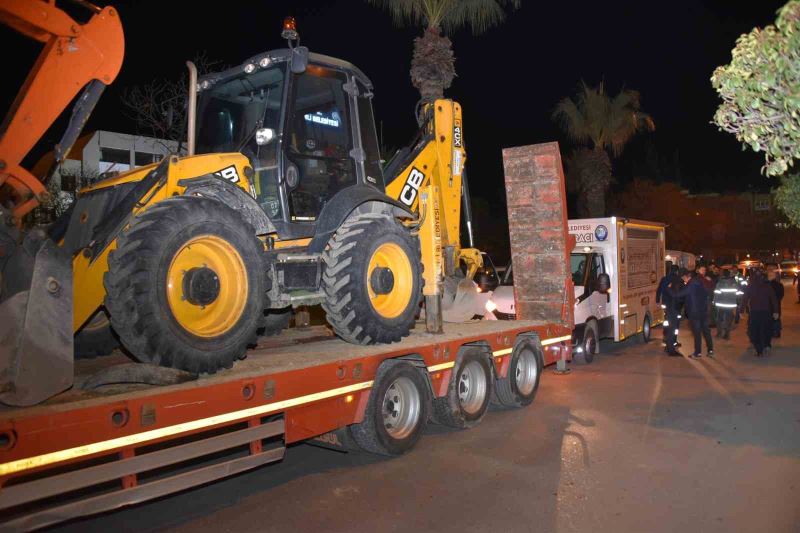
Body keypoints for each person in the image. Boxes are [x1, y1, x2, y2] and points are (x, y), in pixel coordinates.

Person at [677, 269, 714, 358]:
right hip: (703, 311)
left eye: (683, 279)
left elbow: (679, 294)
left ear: (686, 277)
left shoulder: (691, 284)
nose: (684, 281)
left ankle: (698, 353)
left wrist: (668, 290)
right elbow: (707, 294)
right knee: (706, 331)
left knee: (697, 333)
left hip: (694, 313)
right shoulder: (701, 283)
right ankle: (710, 350)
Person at [743, 270, 779, 357]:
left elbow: (745, 299)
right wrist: (776, 311)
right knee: (766, 329)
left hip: (755, 312)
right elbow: (774, 300)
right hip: (765, 311)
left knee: (755, 330)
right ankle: (766, 345)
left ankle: (758, 349)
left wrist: (741, 311)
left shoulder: (750, 286)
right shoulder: (767, 286)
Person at [656, 265, 683, 356]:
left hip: (666, 304)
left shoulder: (664, 278)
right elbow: (679, 294)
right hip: (674, 306)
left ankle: (667, 339)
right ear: (677, 271)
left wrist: (657, 299)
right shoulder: (678, 279)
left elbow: (659, 289)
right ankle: (672, 342)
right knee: (674, 326)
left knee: (667, 322)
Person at [713, 269, 738, 340]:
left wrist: (714, 302)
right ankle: (726, 334)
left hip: (721, 304)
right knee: (728, 319)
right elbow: (738, 293)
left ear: (723, 275)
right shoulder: (734, 283)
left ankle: (719, 333)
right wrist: (737, 302)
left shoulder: (720, 283)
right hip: (730, 305)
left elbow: (716, 293)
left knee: (719, 319)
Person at [768, 268, 784, 338]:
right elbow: (781, 295)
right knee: (777, 318)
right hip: (777, 304)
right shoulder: (780, 285)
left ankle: (771, 332)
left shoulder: (767, 286)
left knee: (770, 318)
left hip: (769, 305)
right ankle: (777, 333)